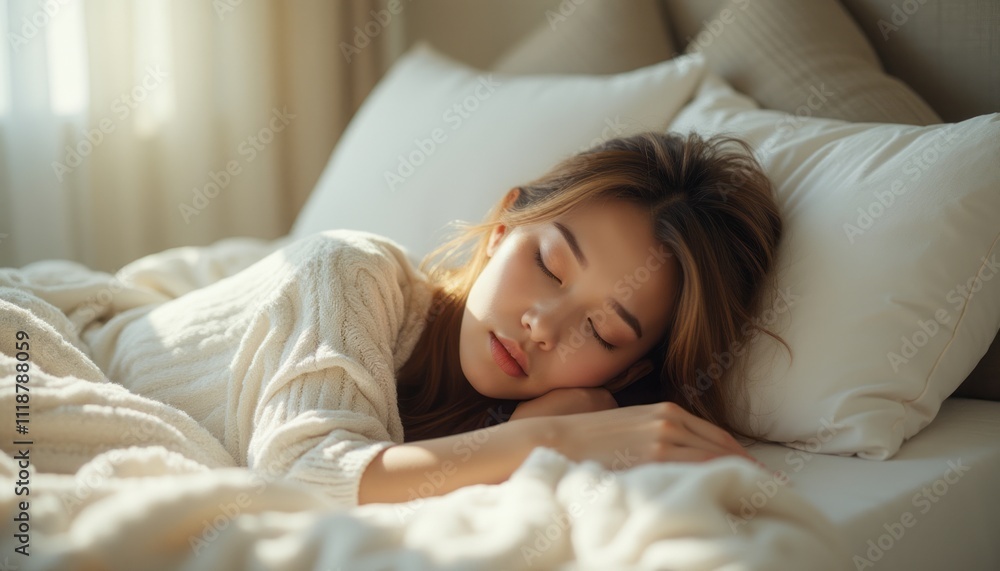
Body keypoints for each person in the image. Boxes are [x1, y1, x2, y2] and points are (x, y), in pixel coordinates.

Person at [102, 131, 785, 509]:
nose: (544, 325)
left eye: (603, 333)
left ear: (629, 367)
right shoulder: (347, 272)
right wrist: (552, 437)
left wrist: (557, 425)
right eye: (549, 264)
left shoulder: (556, 411)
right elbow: (307, 478)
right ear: (501, 227)